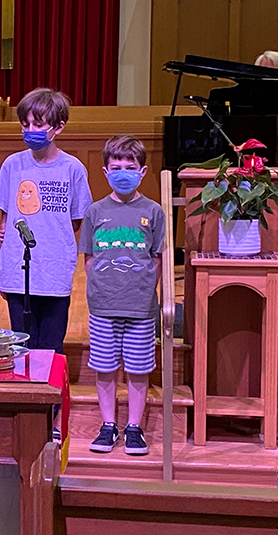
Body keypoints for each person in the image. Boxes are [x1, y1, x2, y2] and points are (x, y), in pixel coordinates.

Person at [79, 135, 164, 456]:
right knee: (104, 367)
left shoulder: (153, 211)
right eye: (116, 167)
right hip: (103, 305)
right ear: (105, 171)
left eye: (130, 167)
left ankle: (134, 427)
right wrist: (106, 287)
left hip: (141, 307)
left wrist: (141, 290)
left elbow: (157, 257)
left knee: (139, 369)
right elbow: (88, 258)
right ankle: (107, 425)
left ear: (143, 171)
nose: (123, 172)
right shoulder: (95, 212)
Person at [0, 88, 92, 353]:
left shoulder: (73, 169)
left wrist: (49, 238)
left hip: (54, 271)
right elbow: (6, 217)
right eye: (25, 124)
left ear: (58, 127)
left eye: (38, 124)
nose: (30, 130)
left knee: (50, 346)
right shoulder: (12, 164)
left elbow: (76, 221)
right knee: (23, 345)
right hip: (18, 273)